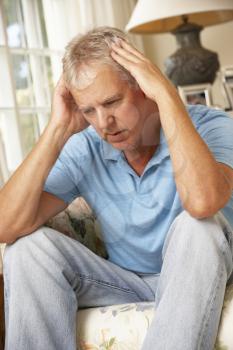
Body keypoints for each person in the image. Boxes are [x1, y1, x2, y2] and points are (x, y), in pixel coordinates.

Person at [1, 26, 233, 350]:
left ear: (142, 85)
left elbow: (203, 202)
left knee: (200, 227)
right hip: (127, 282)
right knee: (27, 249)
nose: (104, 123)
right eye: (89, 110)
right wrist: (58, 128)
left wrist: (166, 95)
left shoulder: (212, 125)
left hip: (200, 275)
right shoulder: (86, 147)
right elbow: (5, 225)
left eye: (112, 102)